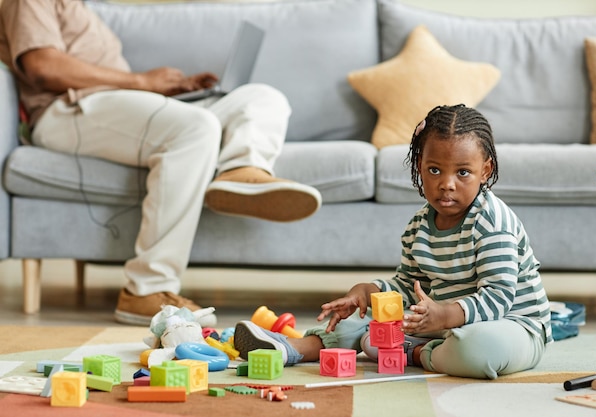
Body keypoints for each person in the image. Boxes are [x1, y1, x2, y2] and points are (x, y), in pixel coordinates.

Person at [0, 0, 321, 325]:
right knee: (197, 127)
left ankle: (243, 171)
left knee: (261, 97)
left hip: (112, 105)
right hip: (67, 111)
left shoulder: (83, 9)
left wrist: (171, 96)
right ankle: (146, 289)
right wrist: (145, 82)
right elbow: (43, 67)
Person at [233, 104, 553, 379]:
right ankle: (292, 348)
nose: (447, 184)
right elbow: (405, 288)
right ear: (419, 169)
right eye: (435, 170)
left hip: (512, 326)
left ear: (486, 171)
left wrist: (442, 315)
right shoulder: (418, 226)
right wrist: (366, 293)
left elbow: (498, 298)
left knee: (476, 349)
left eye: (463, 173)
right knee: (361, 320)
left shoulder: (491, 222)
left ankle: (417, 353)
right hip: (438, 322)